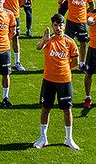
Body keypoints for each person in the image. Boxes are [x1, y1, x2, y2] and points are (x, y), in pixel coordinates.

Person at [34, 14, 81, 150]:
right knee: (45, 108)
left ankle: (69, 138)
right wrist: (44, 40)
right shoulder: (48, 39)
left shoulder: (70, 42)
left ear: (64, 26)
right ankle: (43, 138)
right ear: (52, 26)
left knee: (67, 110)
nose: (58, 28)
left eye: (60, 25)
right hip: (48, 80)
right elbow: (38, 47)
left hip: (64, 81)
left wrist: (64, 69)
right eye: (55, 25)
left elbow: (75, 62)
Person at [59, 0, 95, 72]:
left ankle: (82, 64)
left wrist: (86, 14)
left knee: (83, 43)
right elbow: (60, 2)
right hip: (71, 21)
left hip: (82, 22)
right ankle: (66, 62)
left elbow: (92, 6)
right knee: (67, 42)